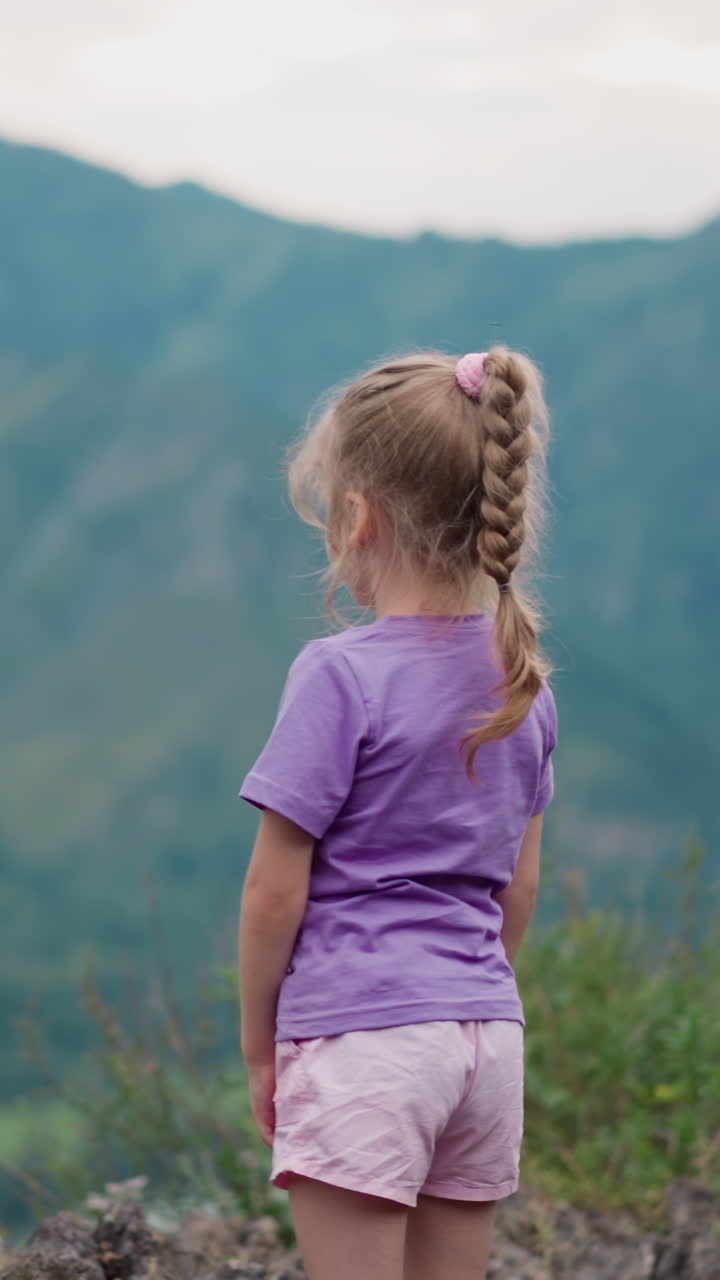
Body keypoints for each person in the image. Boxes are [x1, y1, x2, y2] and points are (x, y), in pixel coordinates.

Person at [237, 346, 558, 1280]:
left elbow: (271, 894)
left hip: (362, 1039)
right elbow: (518, 890)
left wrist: (263, 1045)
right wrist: (458, 986)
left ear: (359, 517)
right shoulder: (526, 685)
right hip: (488, 1044)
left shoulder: (339, 675)